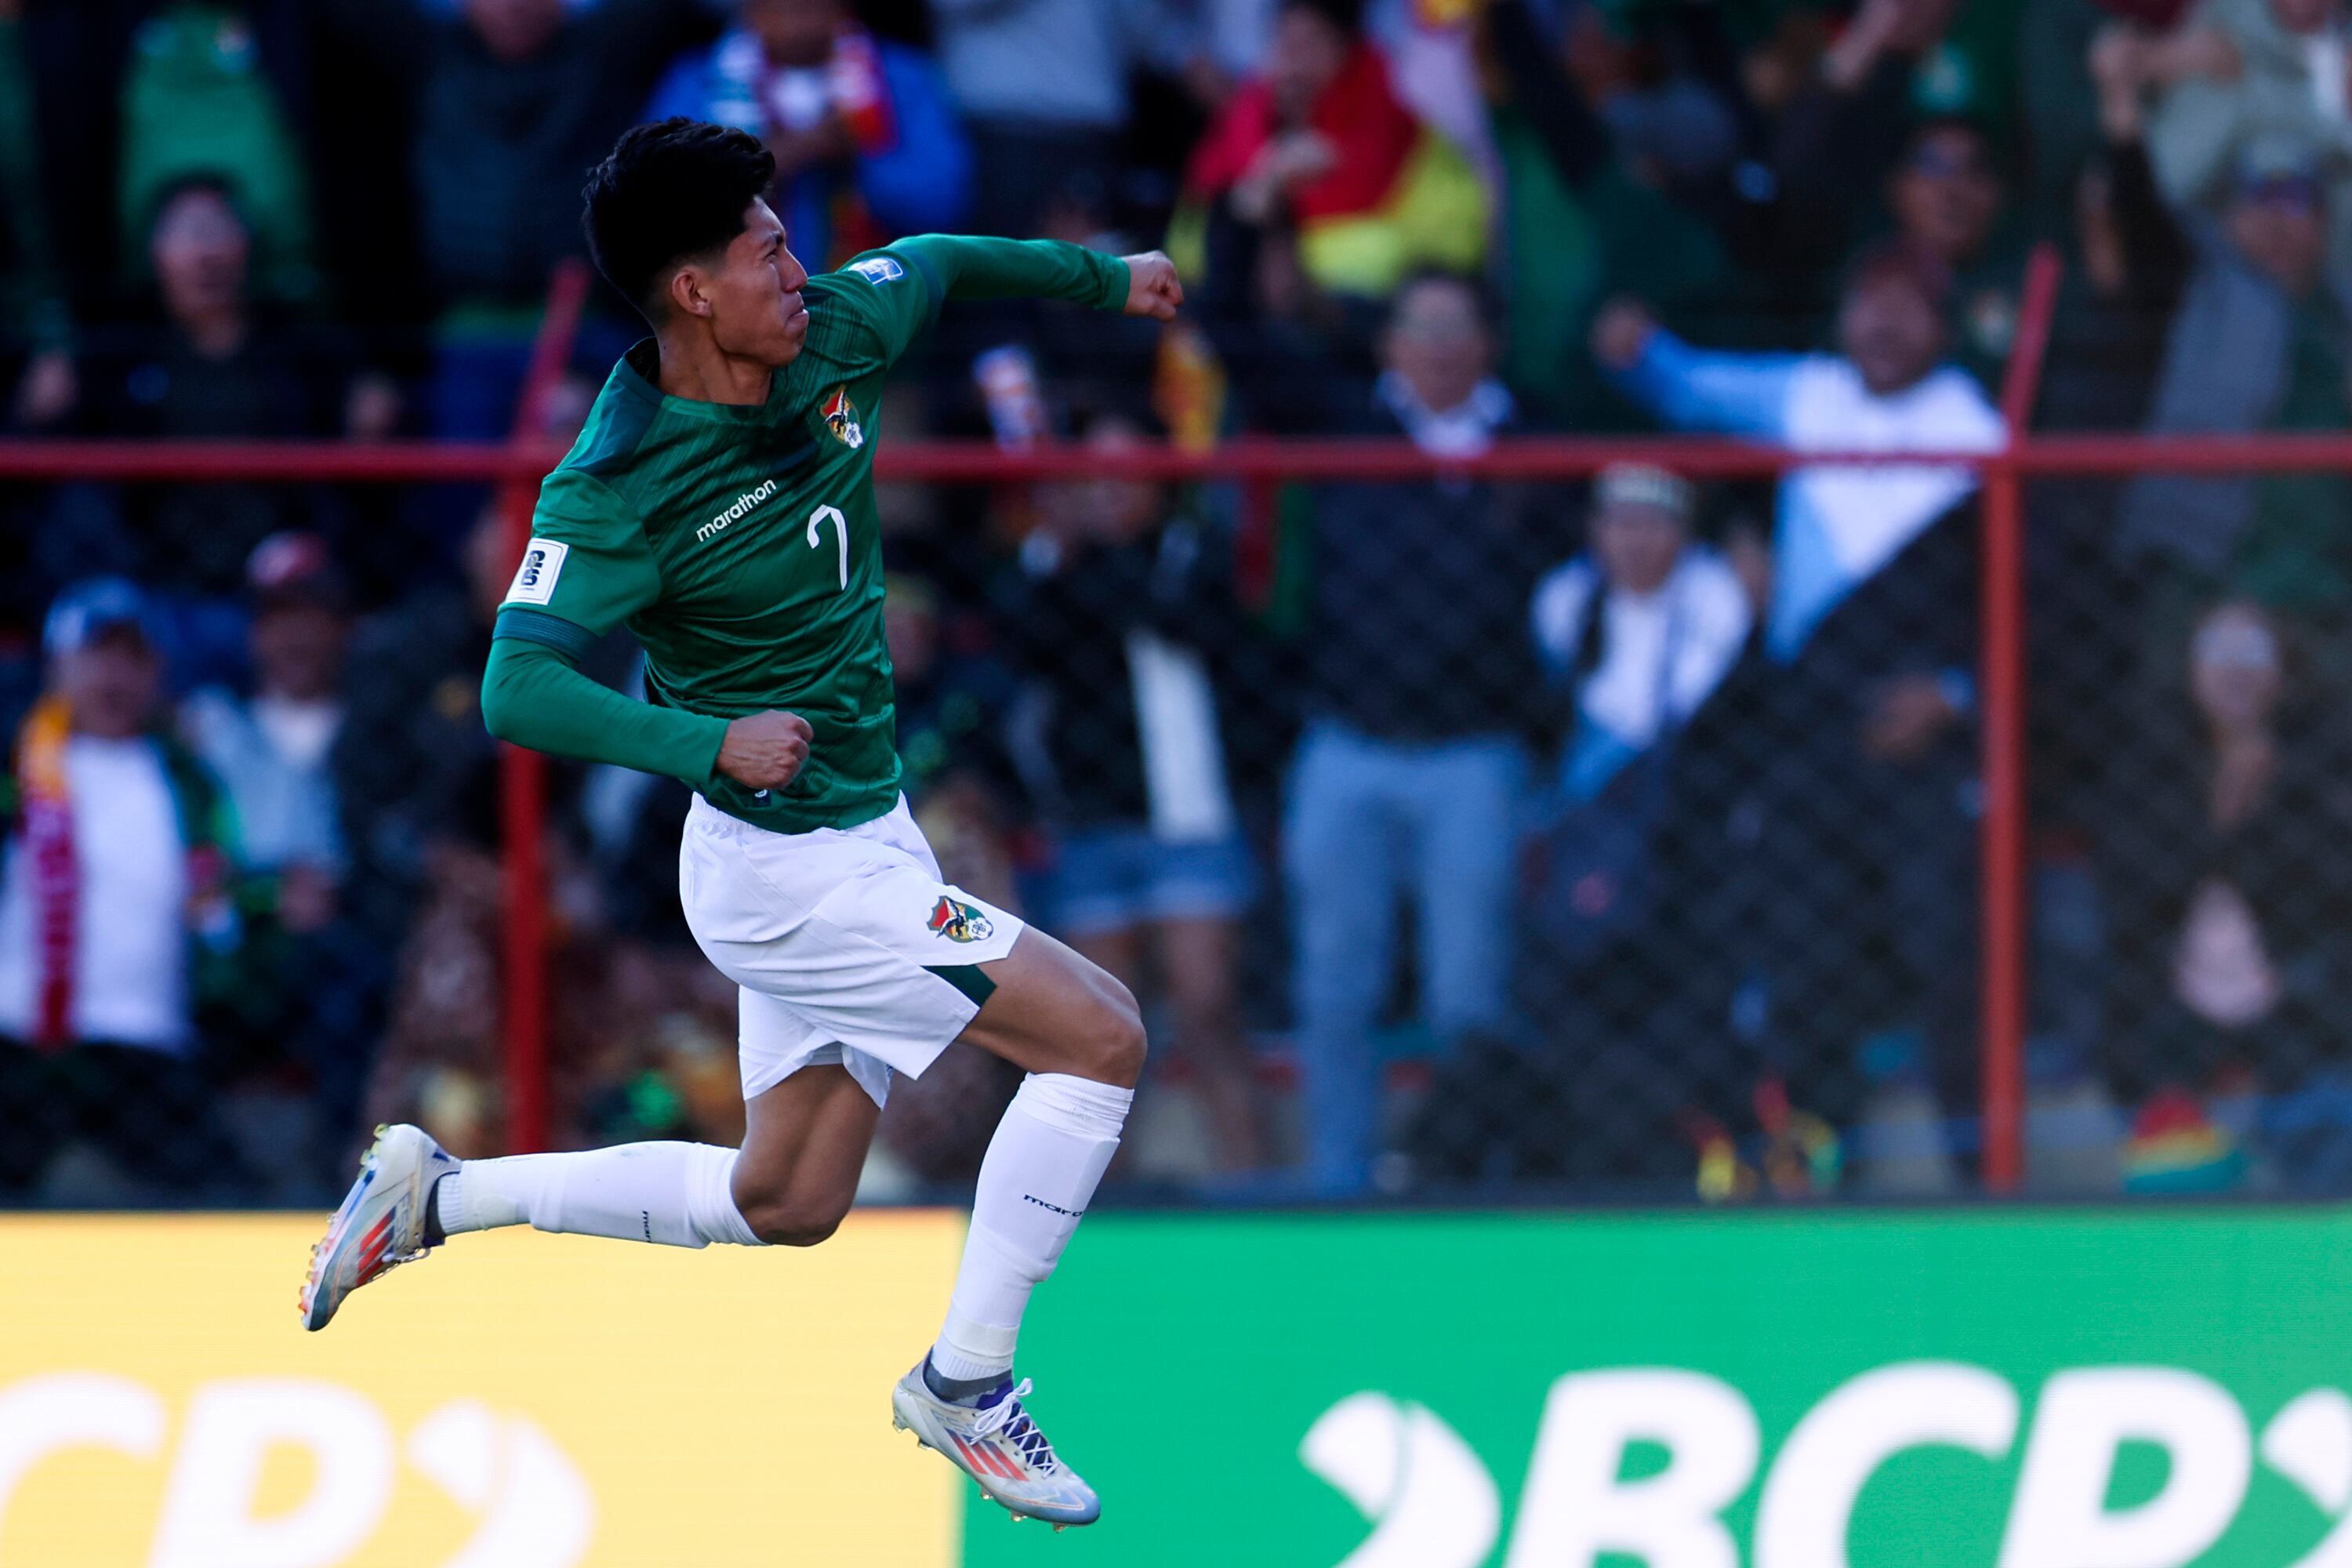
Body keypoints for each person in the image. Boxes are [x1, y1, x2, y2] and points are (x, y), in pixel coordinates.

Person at [299, 118, 1184, 1530]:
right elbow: (514, 685)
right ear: (693, 292)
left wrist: (1104, 276)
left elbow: (943, 259)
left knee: (791, 1196)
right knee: (1102, 1034)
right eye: (768, 248)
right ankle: (967, 1385)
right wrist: (701, 739)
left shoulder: (829, 333)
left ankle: (439, 1199)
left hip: (860, 834)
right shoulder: (616, 483)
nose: (800, 267)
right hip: (785, 876)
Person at [1284, 272, 1551, 1194]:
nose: (1437, 344)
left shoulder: (1538, 441)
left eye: (1456, 326)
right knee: (1333, 991)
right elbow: (1237, 337)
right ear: (1389, 344)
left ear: (1488, 344)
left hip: (1476, 755)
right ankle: (1339, 1185)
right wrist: (1247, 212)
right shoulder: (1343, 422)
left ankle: (1465, 1183)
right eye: (1418, 326)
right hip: (1346, 747)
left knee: (1470, 997)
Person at [1000, 406, 1265, 1172]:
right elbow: (1022, 644)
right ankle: (1104, 1210)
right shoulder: (1049, 559)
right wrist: (1058, 548)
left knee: (1206, 1007)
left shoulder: (1191, 550)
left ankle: (1256, 1197)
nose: (1110, 492)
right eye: (1096, 476)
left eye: (1127, 475)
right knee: (1099, 1038)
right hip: (1087, 825)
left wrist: (1087, 554)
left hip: (1189, 819)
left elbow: (1176, 623)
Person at [0, 579, 247, 1200]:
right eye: (94, 655)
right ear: (57, 666)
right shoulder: (18, 766)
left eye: (131, 657)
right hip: (21, 1039)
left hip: (145, 1042)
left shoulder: (191, 783)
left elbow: (224, 895)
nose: (112, 675)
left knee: (231, 1196)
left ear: (158, 671)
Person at [648, 0, 972, 270]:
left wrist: (860, 158)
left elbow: (940, 208)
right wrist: (760, 164)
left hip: (877, 303)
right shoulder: (697, 79)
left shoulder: (903, 78)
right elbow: (659, 206)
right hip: (726, 308)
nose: (795, 16)